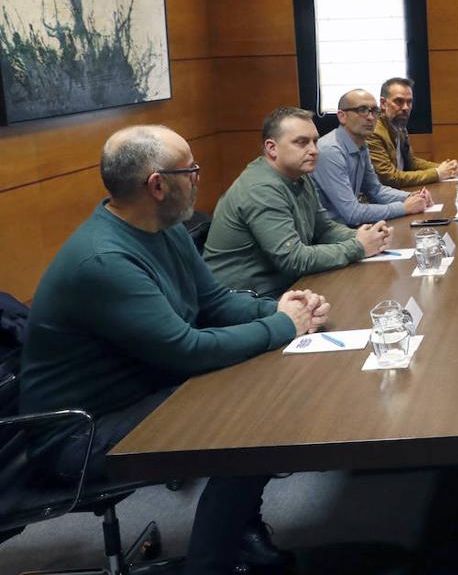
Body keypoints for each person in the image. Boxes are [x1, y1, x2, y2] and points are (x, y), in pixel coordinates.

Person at [19, 125, 328, 574]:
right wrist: (283, 327)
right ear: (158, 185)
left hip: (142, 391)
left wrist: (276, 308)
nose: (198, 177)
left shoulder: (163, 226)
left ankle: (238, 532)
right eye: (191, 169)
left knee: (264, 397)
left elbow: (215, 303)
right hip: (80, 434)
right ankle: (213, 562)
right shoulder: (104, 261)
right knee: (252, 429)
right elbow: (187, 349)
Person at [205, 107, 391, 298]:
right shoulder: (261, 188)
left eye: (315, 142)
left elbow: (324, 229)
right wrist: (358, 247)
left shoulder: (299, 175)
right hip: (247, 299)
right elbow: (293, 259)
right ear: (272, 148)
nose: (313, 150)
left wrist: (363, 235)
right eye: (301, 143)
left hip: (285, 286)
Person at [313, 89, 432, 225]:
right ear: (342, 116)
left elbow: (376, 190)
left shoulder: (361, 145)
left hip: (349, 229)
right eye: (362, 110)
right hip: (328, 237)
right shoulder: (330, 151)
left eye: (375, 111)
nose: (370, 117)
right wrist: (404, 207)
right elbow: (352, 213)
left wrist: (411, 196)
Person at [369, 76, 458, 188]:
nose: (406, 108)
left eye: (409, 102)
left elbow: (411, 162)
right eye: (399, 101)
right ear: (383, 103)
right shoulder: (373, 132)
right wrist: (437, 173)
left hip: (401, 190)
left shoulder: (399, 126)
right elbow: (389, 177)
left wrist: (444, 167)